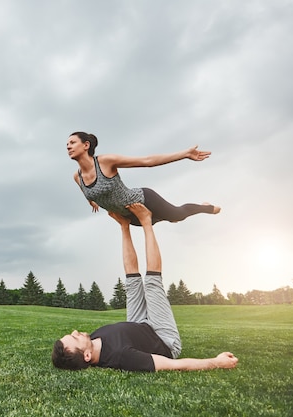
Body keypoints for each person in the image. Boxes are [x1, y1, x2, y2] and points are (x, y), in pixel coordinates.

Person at [51, 203, 238, 372]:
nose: (75, 332)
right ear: (87, 356)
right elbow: (174, 364)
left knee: (132, 283)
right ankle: (146, 222)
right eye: (75, 338)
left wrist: (125, 226)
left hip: (138, 325)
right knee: (152, 283)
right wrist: (217, 362)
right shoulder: (123, 357)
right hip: (162, 338)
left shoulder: (91, 339)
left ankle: (124, 226)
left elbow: (118, 332)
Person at [66, 131, 221, 226]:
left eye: (72, 143)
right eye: (67, 144)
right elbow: (88, 193)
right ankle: (169, 216)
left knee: (177, 215)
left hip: (143, 200)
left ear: (86, 145)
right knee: (169, 219)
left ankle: (205, 207)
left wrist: (185, 154)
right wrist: (93, 202)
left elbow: (147, 161)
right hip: (130, 218)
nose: (68, 146)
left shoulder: (105, 162)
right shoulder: (77, 176)